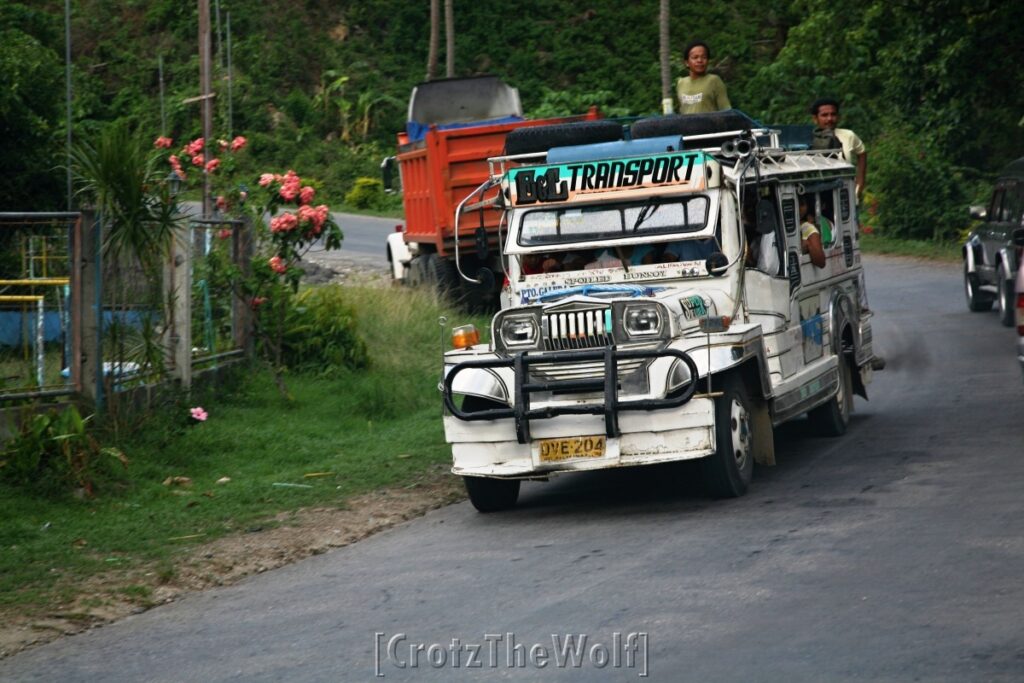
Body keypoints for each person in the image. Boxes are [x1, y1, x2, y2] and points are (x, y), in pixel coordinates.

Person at [810, 97, 867, 202]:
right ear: (815, 118)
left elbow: (862, 152)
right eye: (824, 115)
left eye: (833, 114)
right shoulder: (809, 139)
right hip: (817, 197)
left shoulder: (848, 135)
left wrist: (859, 185)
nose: (829, 119)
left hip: (846, 196)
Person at [676, 41, 731, 114]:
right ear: (687, 63)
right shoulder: (681, 83)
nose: (700, 60)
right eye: (695, 57)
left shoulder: (714, 80)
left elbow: (726, 111)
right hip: (687, 125)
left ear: (708, 61)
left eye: (704, 57)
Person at [798, 197, 827, 268]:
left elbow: (821, 262)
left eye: (801, 204)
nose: (798, 208)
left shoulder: (807, 227)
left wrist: (809, 244)